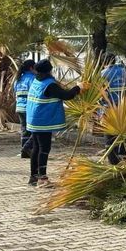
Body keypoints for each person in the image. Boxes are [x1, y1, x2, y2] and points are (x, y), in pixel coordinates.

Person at [26, 59, 85, 187]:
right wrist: (78, 87)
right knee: (44, 149)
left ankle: (33, 177)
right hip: (43, 122)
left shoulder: (36, 81)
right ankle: (42, 178)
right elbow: (66, 95)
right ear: (49, 70)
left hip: (33, 120)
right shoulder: (49, 84)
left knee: (36, 148)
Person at [100, 53, 126, 164]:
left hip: (110, 109)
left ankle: (113, 162)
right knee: (125, 135)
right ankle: (125, 161)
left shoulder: (103, 74)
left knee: (110, 136)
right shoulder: (124, 71)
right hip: (125, 108)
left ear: (104, 62)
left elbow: (101, 94)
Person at [14, 59, 36, 158]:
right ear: (31, 68)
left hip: (19, 107)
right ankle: (27, 149)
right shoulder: (32, 79)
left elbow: (15, 93)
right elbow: (35, 94)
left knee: (24, 130)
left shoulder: (19, 79)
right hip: (29, 108)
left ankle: (24, 152)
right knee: (34, 129)